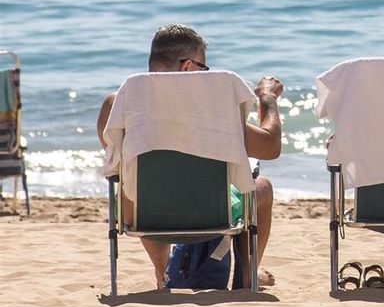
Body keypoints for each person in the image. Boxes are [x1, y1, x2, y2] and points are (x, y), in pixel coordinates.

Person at [96, 24, 282, 290]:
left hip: (142, 216)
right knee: (261, 186)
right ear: (188, 67)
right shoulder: (216, 109)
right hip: (212, 213)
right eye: (204, 68)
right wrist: (268, 98)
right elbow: (270, 146)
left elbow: (114, 158)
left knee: (136, 181)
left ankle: (162, 276)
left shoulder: (116, 105)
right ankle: (248, 274)